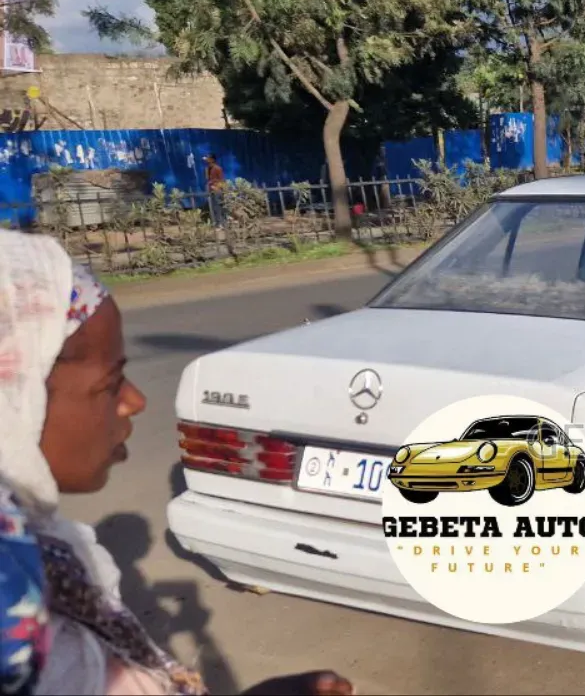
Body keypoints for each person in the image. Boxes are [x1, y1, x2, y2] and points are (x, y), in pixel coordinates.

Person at [0, 230, 356, 696]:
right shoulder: (13, 603)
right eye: (111, 384)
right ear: (17, 397)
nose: (135, 401)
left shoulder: (36, 558)